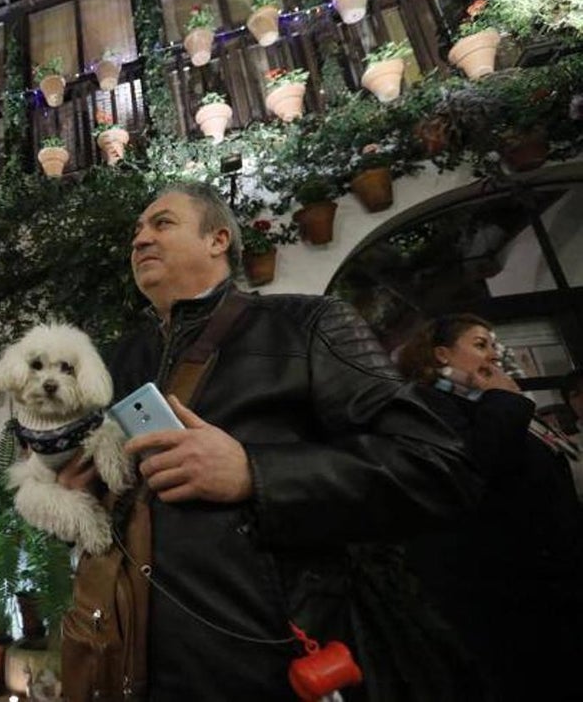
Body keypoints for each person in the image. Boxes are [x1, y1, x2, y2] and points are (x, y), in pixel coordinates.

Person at [62, 181, 483, 701]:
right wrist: (79, 498)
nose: (141, 239)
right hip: (138, 663)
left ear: (218, 239)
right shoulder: (119, 361)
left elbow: (436, 464)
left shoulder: (308, 324)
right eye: (136, 231)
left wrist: (254, 472)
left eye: (162, 223)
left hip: (272, 664)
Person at [397, 315, 583, 701]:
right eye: (480, 344)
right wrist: (506, 400)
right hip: (508, 597)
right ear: (441, 353)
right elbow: (475, 463)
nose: (493, 355)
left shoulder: (482, 401)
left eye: (494, 345)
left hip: (548, 581)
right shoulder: (429, 405)